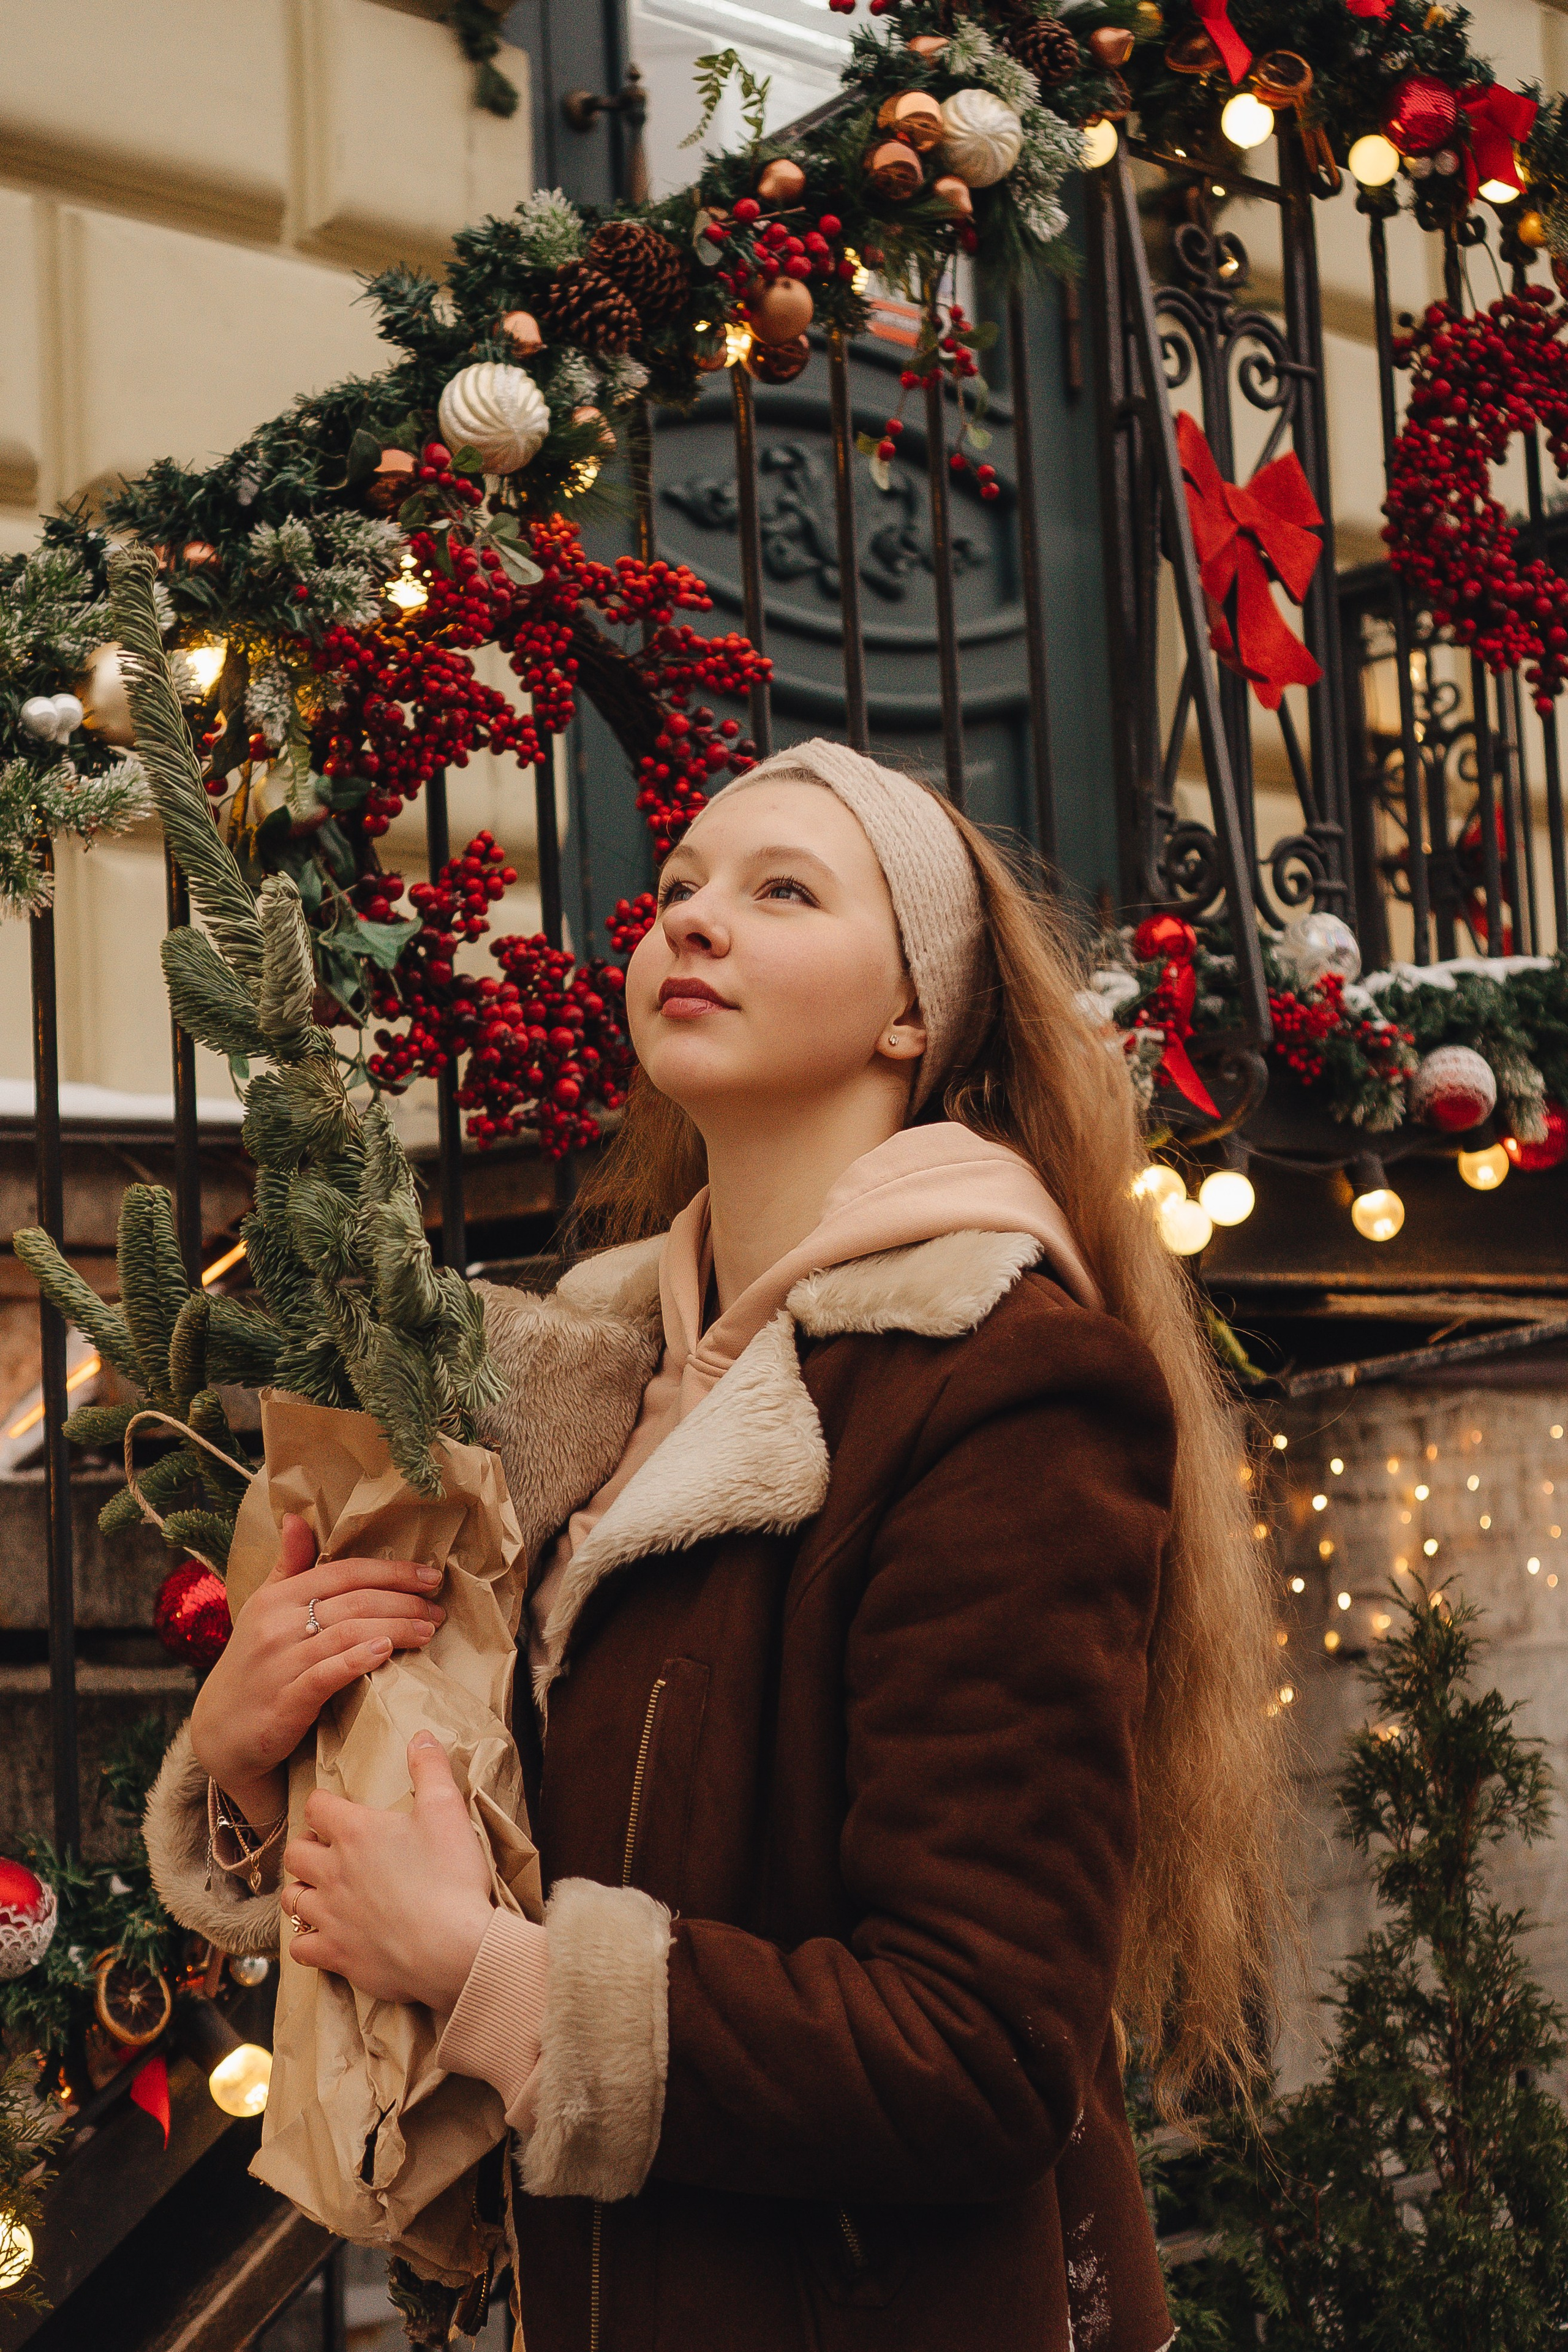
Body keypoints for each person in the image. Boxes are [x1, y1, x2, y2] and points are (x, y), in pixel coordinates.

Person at [147, 740, 1283, 2352]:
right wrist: (269, 1763)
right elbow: (505, 1854)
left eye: (781, 890)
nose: (689, 919)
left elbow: (983, 2055)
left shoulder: (997, 1379)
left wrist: (493, 1976)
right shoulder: (588, 1390)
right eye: (676, 887)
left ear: (917, 1009)